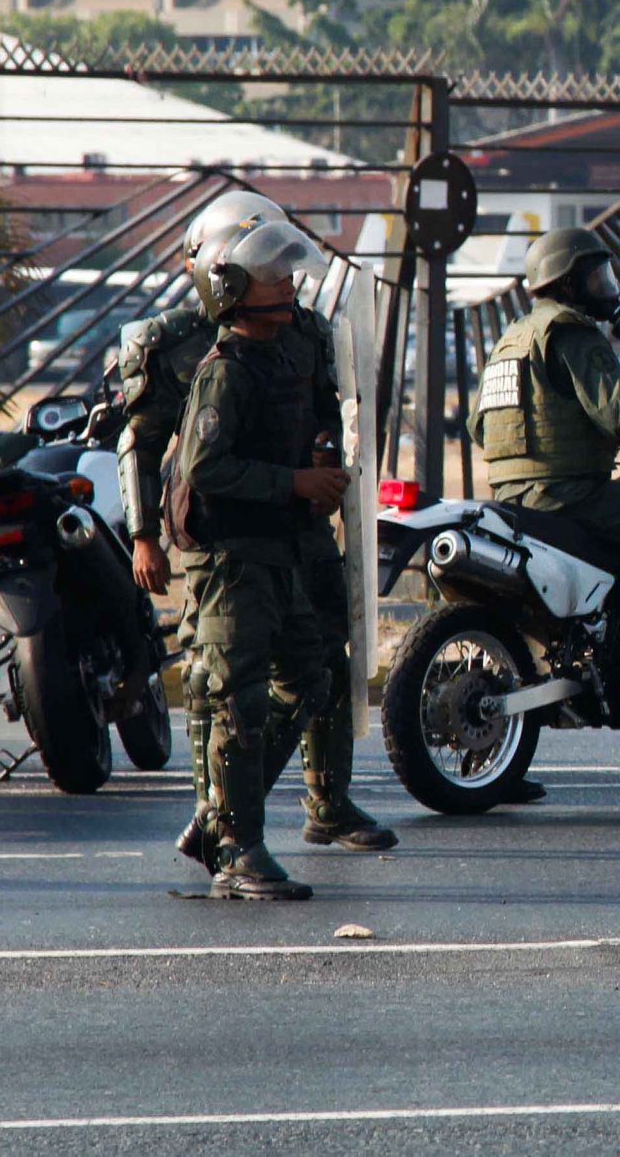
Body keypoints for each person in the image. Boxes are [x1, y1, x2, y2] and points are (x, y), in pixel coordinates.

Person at [118, 190, 398, 870]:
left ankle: (318, 803)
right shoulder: (179, 343)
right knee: (223, 679)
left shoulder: (300, 332)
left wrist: (326, 454)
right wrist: (144, 533)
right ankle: (217, 822)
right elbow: (147, 443)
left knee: (322, 661)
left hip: (296, 529)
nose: (284, 277)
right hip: (229, 537)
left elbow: (324, 407)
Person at [166, 221, 344, 900]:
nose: (288, 284)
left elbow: (308, 422)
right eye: (273, 276)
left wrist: (320, 453)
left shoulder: (282, 357)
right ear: (234, 290)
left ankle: (218, 819)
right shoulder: (226, 371)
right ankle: (239, 849)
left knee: (309, 677)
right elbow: (205, 466)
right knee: (235, 701)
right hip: (233, 560)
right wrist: (293, 483)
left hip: (279, 552)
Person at [469, 227, 620, 698]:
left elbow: (478, 427)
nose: (605, 288)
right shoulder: (572, 331)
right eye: (595, 277)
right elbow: (619, 415)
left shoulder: (511, 339)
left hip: (512, 499)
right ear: (567, 285)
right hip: (571, 494)